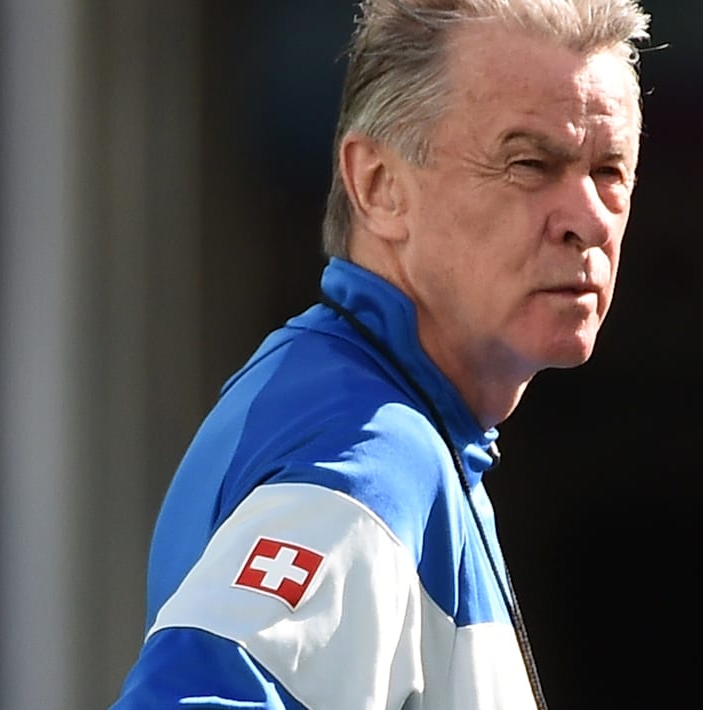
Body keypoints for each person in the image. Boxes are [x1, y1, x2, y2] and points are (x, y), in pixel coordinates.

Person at [111, 0, 653, 707]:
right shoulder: (366, 451)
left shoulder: (361, 413)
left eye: (610, 170)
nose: (588, 219)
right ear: (378, 186)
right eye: (528, 163)